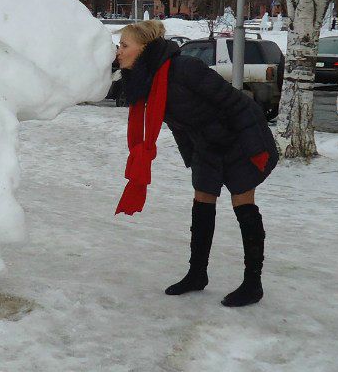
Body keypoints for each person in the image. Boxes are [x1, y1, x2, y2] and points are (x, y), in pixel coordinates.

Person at [114, 20, 279, 307]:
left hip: (239, 141)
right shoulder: (147, 80)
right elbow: (180, 123)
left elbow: (236, 104)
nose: (119, 52)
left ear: (144, 49)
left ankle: (253, 283)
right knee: (202, 202)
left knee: (243, 204)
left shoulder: (184, 69)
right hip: (206, 145)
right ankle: (197, 274)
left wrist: (255, 150)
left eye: (124, 46)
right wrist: (192, 156)